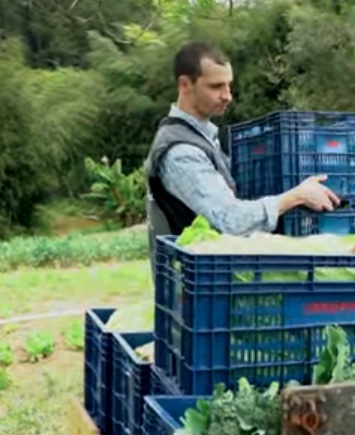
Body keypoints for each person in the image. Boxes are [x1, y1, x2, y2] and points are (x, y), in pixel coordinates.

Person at [143, 42, 339, 268]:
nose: (227, 96)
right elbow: (230, 220)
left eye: (229, 86)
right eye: (216, 86)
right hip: (202, 287)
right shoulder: (182, 151)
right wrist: (297, 196)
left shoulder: (202, 138)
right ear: (185, 85)